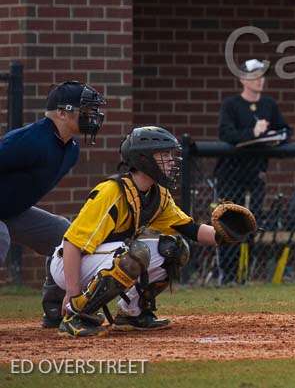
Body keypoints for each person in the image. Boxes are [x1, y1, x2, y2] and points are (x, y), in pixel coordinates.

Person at [49, 126, 254, 337]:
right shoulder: (111, 191)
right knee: (133, 254)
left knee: (174, 249)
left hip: (104, 259)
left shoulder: (158, 194)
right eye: (163, 154)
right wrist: (71, 294)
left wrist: (225, 234)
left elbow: (190, 229)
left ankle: (132, 313)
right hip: (70, 263)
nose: (171, 161)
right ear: (143, 158)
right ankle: (76, 316)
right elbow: (72, 243)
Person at [0, 80, 106, 328]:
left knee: (64, 235)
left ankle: (55, 308)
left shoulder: (71, 149)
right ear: (61, 112)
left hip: (10, 210)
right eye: (84, 110)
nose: (92, 116)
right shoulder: (29, 140)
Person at [215, 58, 291, 284]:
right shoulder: (231, 105)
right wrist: (253, 132)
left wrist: (274, 138)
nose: (259, 80)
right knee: (229, 224)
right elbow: (227, 134)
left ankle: (244, 274)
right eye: (254, 75)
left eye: (262, 75)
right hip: (231, 175)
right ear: (243, 79)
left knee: (251, 224)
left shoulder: (269, 105)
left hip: (256, 174)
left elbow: (285, 129)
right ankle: (227, 275)